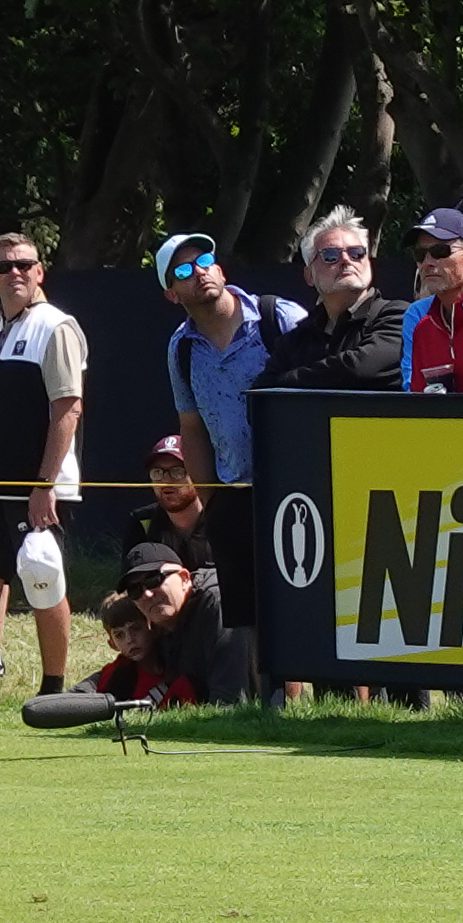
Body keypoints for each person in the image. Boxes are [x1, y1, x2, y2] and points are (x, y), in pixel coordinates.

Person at [159, 231, 305, 628]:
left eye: (205, 262)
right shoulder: (181, 348)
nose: (200, 273)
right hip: (235, 497)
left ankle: (339, 694)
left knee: (312, 607)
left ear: (220, 270)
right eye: (184, 270)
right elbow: (191, 427)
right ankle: (271, 694)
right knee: (253, 620)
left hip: (300, 489)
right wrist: (213, 502)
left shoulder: (279, 318)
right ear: (172, 294)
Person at [0, 233, 85, 698]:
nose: (14, 273)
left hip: (35, 488)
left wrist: (44, 485)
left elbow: (68, 408)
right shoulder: (2, 330)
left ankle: (53, 686)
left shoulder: (55, 326)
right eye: (3, 267)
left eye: (24, 265)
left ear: (40, 272)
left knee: (43, 577)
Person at [254, 207, 403, 393]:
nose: (346, 260)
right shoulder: (295, 339)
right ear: (309, 275)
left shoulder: (399, 316)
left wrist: (286, 381)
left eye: (356, 253)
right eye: (330, 256)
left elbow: (360, 368)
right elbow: (263, 389)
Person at [120, 543, 250, 704]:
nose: (147, 594)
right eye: (135, 590)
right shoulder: (159, 625)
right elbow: (123, 671)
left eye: (154, 580)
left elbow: (230, 700)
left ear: (184, 578)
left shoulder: (218, 602)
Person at [399, 208, 463, 394]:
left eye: (440, 251)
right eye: (420, 254)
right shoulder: (423, 329)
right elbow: (418, 407)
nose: (427, 262)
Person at [73, 592, 196, 708]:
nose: (130, 639)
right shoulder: (115, 675)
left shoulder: (180, 665)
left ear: (154, 627)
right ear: (112, 644)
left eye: (135, 628)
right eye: (119, 635)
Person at [122, 436, 212, 570]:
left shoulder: (222, 519)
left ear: (197, 474)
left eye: (177, 471)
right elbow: (132, 581)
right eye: (157, 472)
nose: (165, 480)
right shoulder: (142, 522)